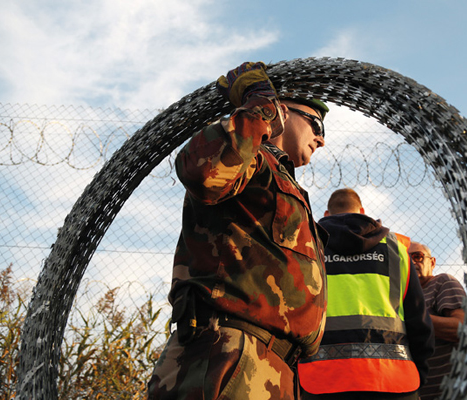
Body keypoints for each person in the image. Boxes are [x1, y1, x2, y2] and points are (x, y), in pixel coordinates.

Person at [147, 62, 330, 400]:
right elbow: (204, 171)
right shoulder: (251, 158)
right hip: (227, 353)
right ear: (283, 112)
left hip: (273, 366)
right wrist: (260, 105)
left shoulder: (281, 178)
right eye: (316, 125)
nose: (321, 139)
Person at [299, 188, 434, 400]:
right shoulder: (397, 249)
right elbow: (419, 322)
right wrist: (419, 375)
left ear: (326, 214)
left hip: (321, 380)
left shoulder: (305, 246)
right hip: (393, 381)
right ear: (362, 211)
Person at [408, 242, 466, 400]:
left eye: (418, 257)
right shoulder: (403, 297)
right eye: (406, 258)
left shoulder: (442, 282)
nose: (412, 262)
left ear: (432, 262)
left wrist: (412, 316)